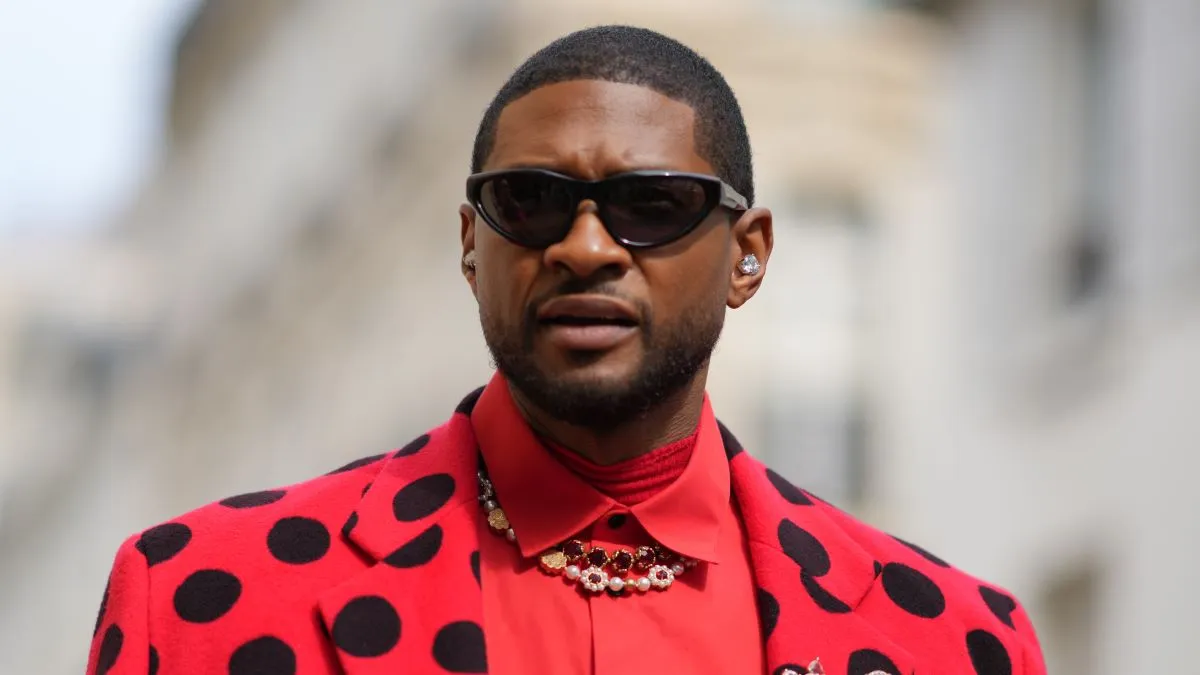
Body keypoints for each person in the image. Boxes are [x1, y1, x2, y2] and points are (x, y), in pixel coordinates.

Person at [87, 25, 1045, 675]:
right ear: (472, 245)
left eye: (652, 206)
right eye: (531, 202)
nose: (585, 248)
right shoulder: (204, 594)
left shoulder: (954, 642)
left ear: (747, 256)